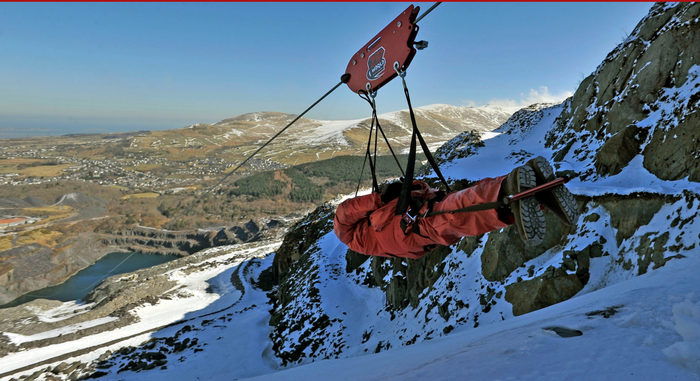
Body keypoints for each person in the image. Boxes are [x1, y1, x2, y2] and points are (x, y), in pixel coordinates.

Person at [334, 156, 578, 259]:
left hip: (416, 232)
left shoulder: (372, 240)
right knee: (456, 211)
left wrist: (403, 194)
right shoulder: (356, 233)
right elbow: (344, 213)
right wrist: (378, 199)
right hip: (413, 224)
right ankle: (515, 190)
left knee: (461, 215)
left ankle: (524, 198)